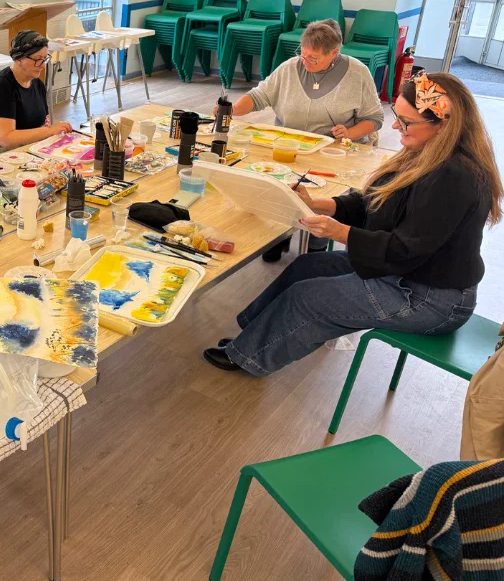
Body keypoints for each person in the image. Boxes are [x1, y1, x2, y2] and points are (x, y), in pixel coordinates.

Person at [203, 73, 502, 376]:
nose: (397, 126)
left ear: (445, 125)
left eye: (407, 122)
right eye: (398, 116)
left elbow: (404, 250)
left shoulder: (455, 176)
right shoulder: (426, 153)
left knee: (308, 297)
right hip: (407, 274)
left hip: (431, 298)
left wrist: (340, 232)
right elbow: (375, 202)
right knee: (307, 267)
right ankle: (253, 335)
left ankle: (247, 356)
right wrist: (321, 204)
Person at [219, 19, 385, 260]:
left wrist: (349, 134)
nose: (305, 62)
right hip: (289, 147)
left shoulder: (357, 73)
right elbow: (258, 96)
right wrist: (232, 109)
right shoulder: (289, 68)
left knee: (320, 196)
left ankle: (316, 243)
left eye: (313, 58)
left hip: (332, 152)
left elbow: (374, 118)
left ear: (334, 53)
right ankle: (278, 236)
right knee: (274, 187)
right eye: (303, 54)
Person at [0, 30, 72, 158]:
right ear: (19, 59)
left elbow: (43, 124)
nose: (42, 65)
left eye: (45, 58)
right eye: (37, 59)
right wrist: (48, 131)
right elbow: (6, 139)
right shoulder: (2, 87)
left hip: (27, 146)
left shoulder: (37, 84)